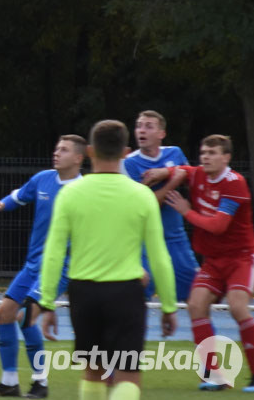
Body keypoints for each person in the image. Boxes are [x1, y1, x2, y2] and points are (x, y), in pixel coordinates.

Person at [40, 120, 177, 400]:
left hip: (83, 292)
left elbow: (54, 252)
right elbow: (158, 255)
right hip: (126, 292)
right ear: (125, 152)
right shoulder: (141, 195)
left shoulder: (70, 194)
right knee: (127, 376)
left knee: (94, 372)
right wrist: (169, 305)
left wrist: (46, 301)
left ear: (89, 152)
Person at [143, 134, 254, 392]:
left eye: (213, 153)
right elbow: (183, 169)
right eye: (204, 152)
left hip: (240, 257)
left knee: (238, 308)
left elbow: (218, 226)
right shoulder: (198, 174)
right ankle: (215, 376)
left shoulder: (234, 183)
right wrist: (164, 171)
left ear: (226, 157)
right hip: (214, 260)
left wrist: (185, 211)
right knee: (195, 305)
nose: (206, 157)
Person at [0, 135, 86, 399]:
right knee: (4, 314)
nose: (57, 153)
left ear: (78, 158)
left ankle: (40, 383)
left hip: (61, 267)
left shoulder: (86, 190)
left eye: (64, 150)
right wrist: (1, 204)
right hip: (33, 265)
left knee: (25, 317)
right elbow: (18, 197)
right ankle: (9, 383)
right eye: (56, 148)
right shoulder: (43, 179)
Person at [121, 110, 199, 301]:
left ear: (161, 134)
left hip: (175, 237)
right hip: (143, 240)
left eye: (148, 126)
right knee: (140, 292)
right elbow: (146, 204)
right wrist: (173, 182)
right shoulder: (129, 163)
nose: (142, 130)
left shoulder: (175, 153)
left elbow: (193, 178)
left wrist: (166, 173)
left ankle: (202, 331)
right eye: (139, 126)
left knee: (197, 292)